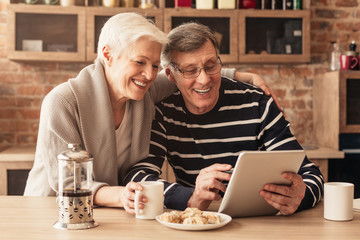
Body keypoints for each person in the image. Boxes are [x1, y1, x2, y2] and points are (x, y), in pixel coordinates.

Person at [23, 13, 276, 212]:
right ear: (108, 55)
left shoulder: (144, 91)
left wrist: (246, 76)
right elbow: (68, 184)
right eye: (140, 62)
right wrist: (120, 194)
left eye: (155, 65)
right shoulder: (62, 101)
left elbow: (190, 75)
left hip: (115, 211)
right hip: (55, 211)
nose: (149, 74)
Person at [124, 22, 324, 215]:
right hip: (199, 222)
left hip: (262, 222)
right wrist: (191, 196)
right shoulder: (164, 113)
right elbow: (139, 177)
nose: (204, 79)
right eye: (191, 70)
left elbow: (311, 174)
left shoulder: (257, 104)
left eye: (211, 66)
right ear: (170, 74)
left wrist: (302, 194)